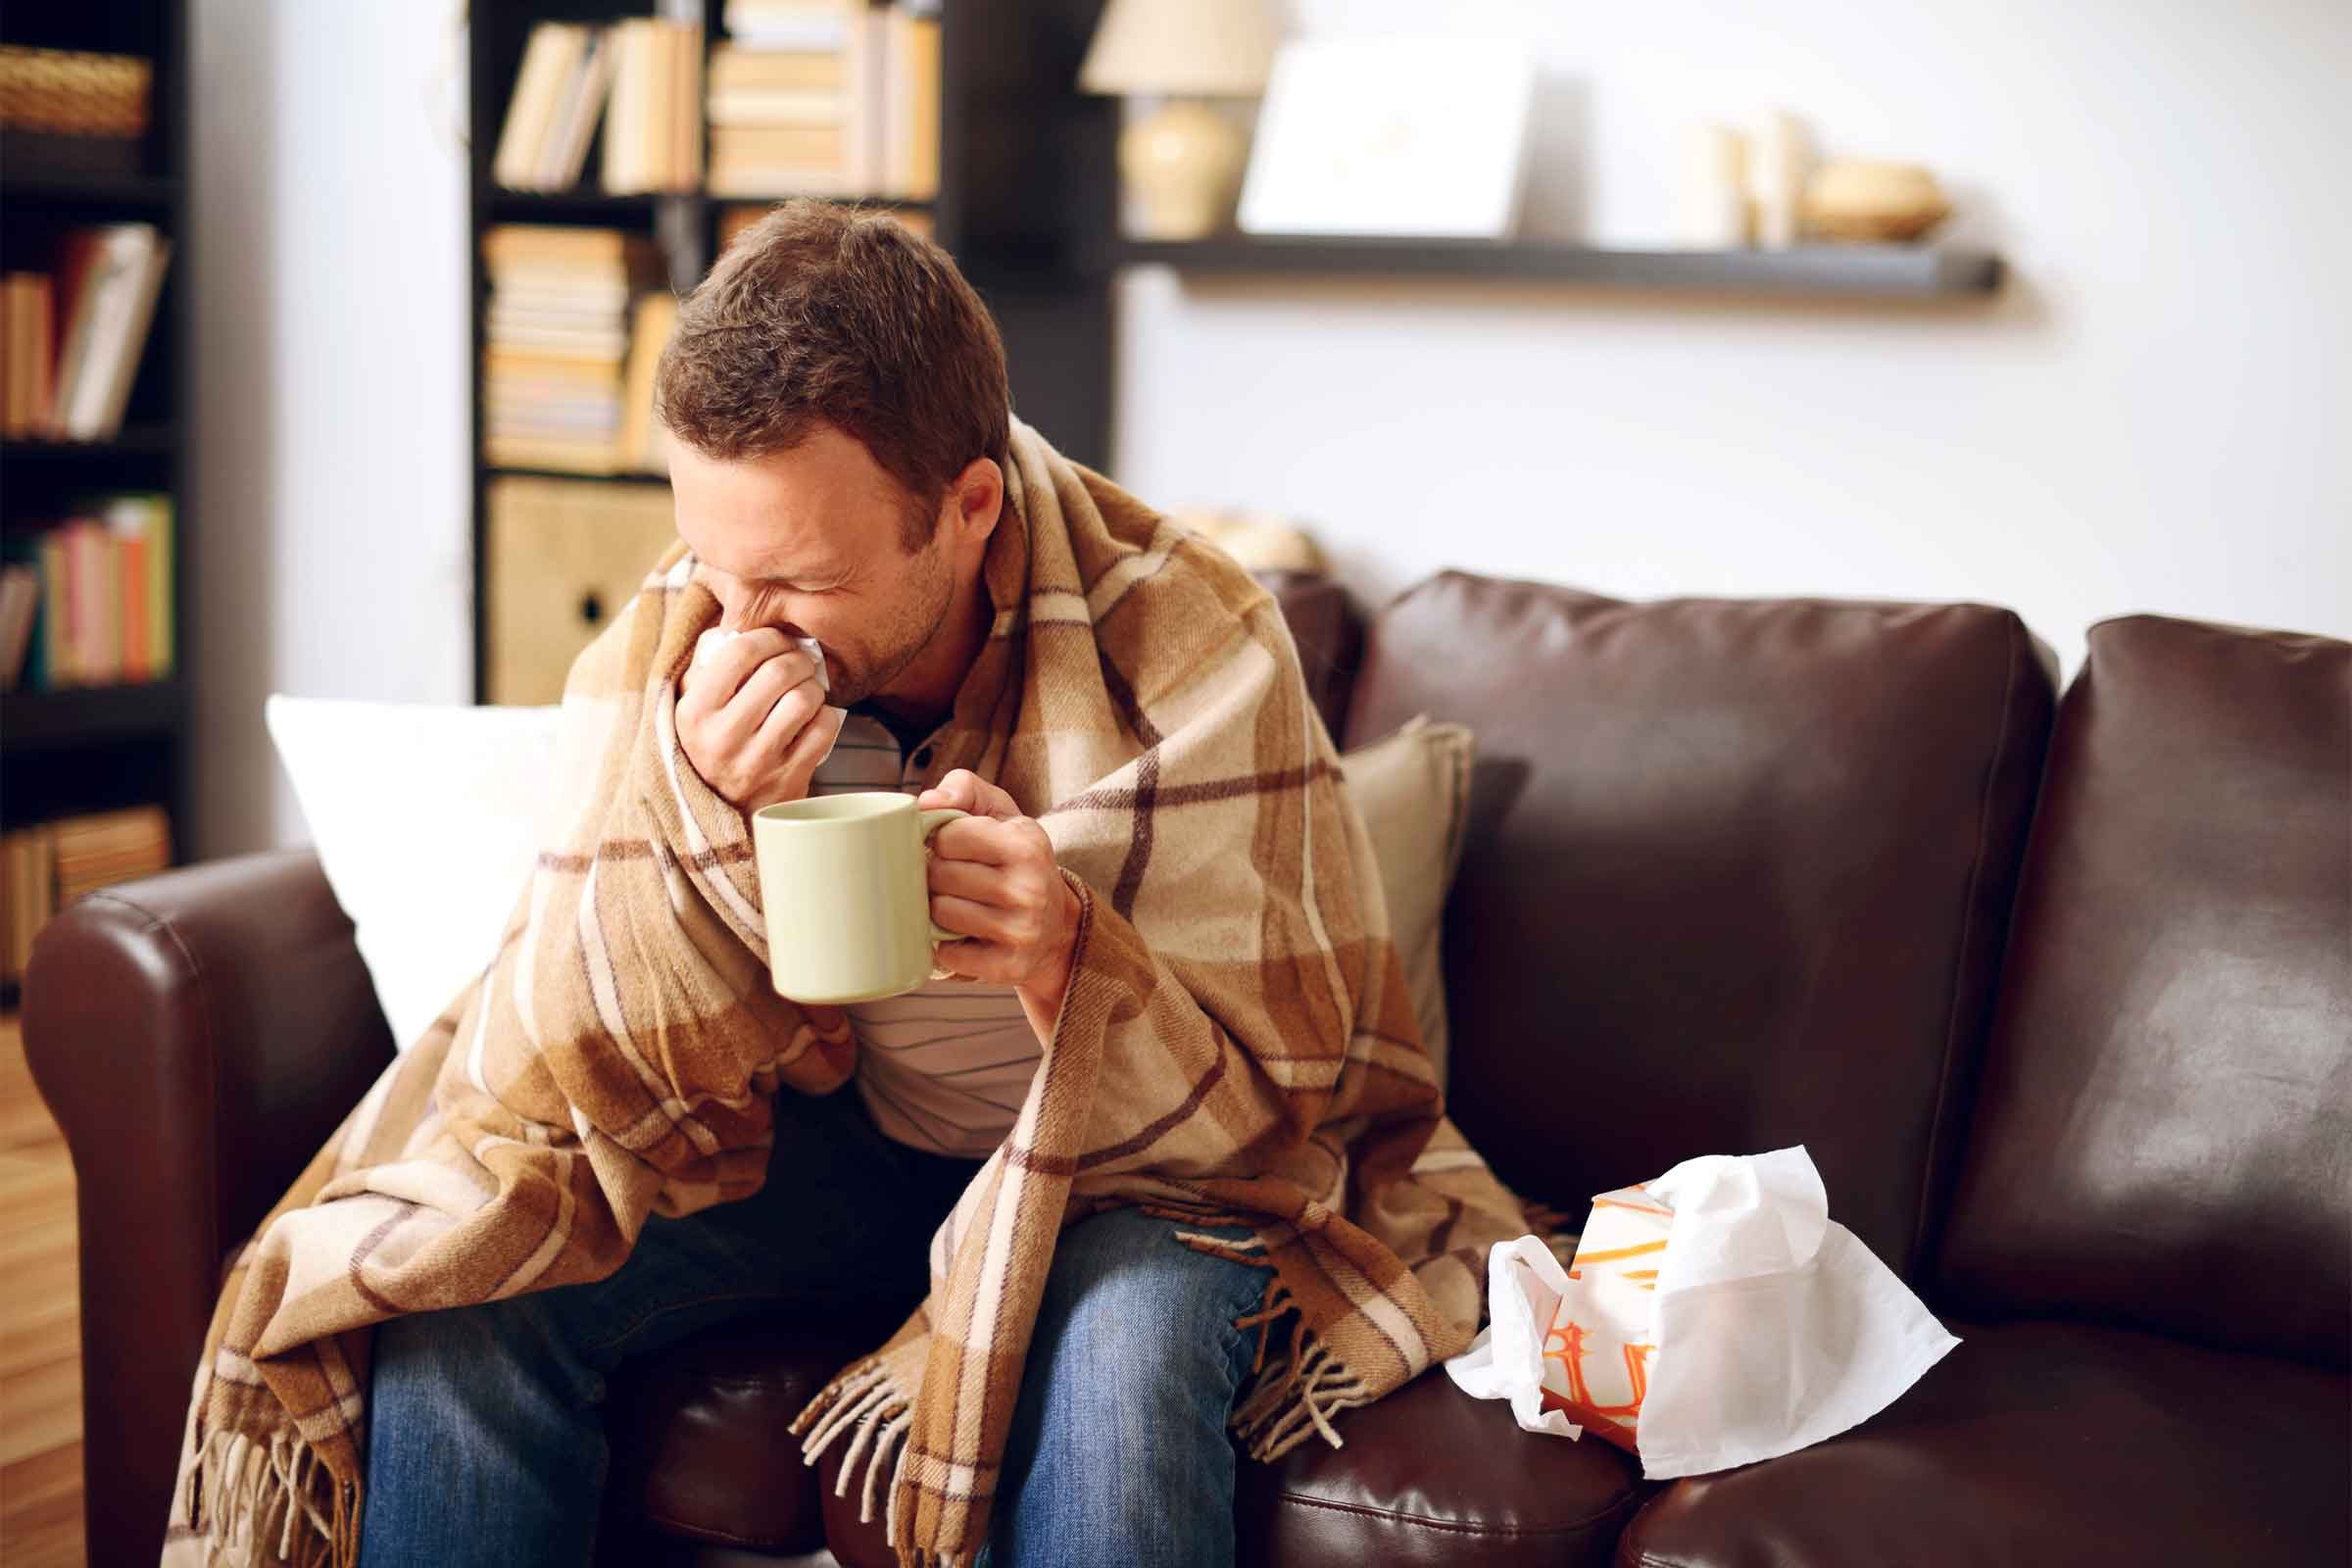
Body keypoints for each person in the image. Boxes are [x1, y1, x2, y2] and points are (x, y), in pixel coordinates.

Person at [357, 202, 1311, 1568]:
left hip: (1129, 1190)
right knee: (470, 1284)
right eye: (713, 563)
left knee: (1118, 1373)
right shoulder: (695, 629)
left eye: (801, 579)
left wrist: (1070, 959)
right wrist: (699, 812)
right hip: (850, 1151)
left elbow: (1285, 1113)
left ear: (968, 507)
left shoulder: (1194, 633)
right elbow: (586, 1052)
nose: (742, 626)